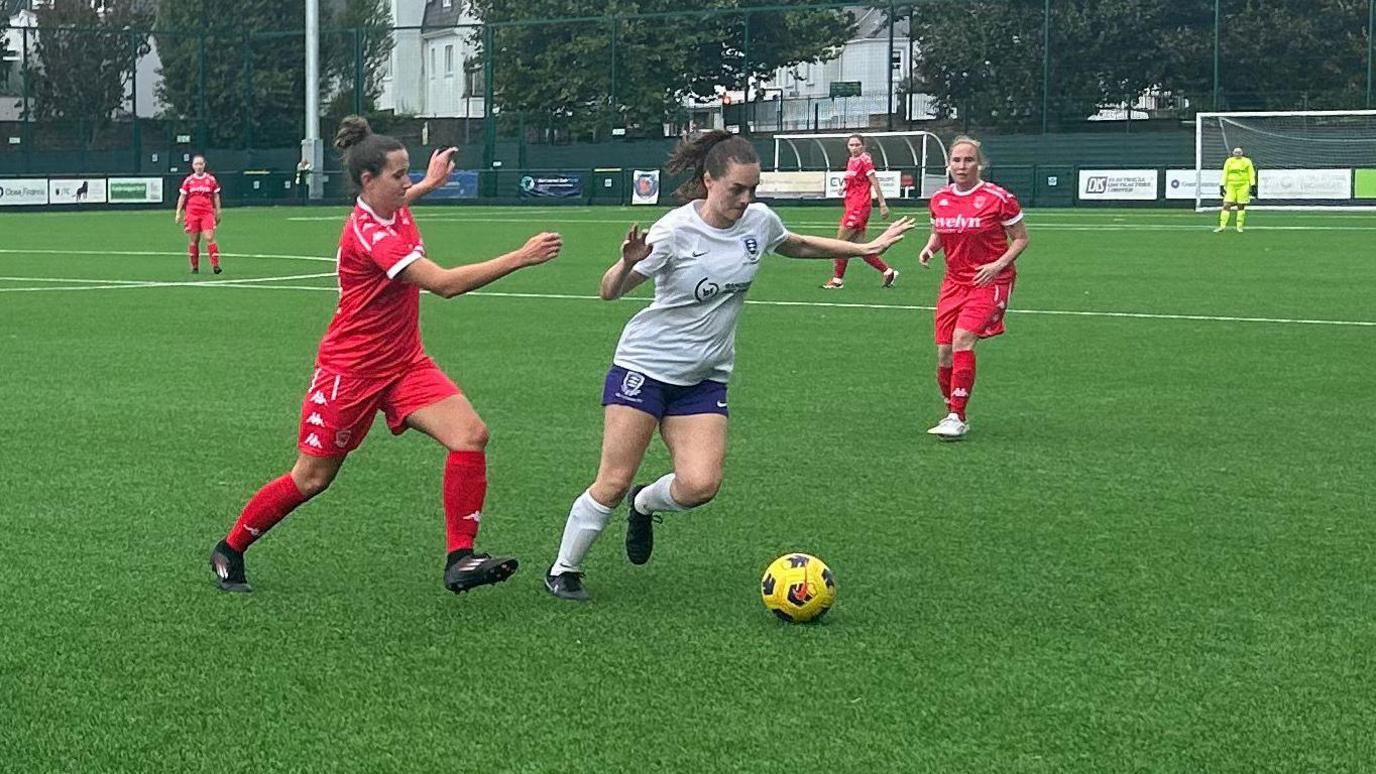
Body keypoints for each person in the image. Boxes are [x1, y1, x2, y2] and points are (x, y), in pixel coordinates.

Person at [544, 130, 915, 601]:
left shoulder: (758, 221)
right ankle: (564, 569)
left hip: (704, 377)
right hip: (645, 367)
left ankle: (644, 503)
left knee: (700, 485)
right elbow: (609, 291)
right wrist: (626, 264)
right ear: (709, 181)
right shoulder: (675, 231)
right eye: (736, 189)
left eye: (753, 189)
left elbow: (794, 243)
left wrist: (864, 249)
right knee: (612, 480)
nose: (746, 199)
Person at [209, 116, 563, 595]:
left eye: (409, 172)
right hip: (349, 373)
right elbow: (444, 285)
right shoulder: (370, 235)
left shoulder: (390, 208)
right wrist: (519, 257)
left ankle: (460, 558)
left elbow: (403, 204)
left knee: (470, 436)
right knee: (311, 479)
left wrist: (431, 184)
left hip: (404, 364)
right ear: (367, 180)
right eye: (399, 175)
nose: (407, 182)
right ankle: (230, 548)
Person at [915, 136, 1030, 441]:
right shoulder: (939, 199)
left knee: (962, 339)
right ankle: (953, 410)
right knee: (943, 354)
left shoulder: (999, 198)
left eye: (969, 160)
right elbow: (939, 230)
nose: (962, 166)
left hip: (989, 280)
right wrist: (930, 247)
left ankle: (956, 416)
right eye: (957, 160)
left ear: (980, 164)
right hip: (953, 282)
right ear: (948, 164)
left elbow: (1021, 238)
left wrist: (997, 265)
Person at [820, 134, 898, 290]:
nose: (854, 148)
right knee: (860, 247)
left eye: (857, 145)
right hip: (852, 206)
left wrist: (882, 204)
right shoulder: (851, 161)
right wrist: (844, 187)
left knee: (839, 245)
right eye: (851, 145)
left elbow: (874, 181)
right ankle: (888, 271)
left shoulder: (864, 160)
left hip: (859, 208)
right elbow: (852, 179)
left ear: (863, 146)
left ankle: (837, 280)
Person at [174, 154, 223, 274]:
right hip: (192, 213)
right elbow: (182, 196)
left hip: (207, 212)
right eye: (196, 164)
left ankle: (215, 265)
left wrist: (218, 210)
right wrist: (178, 212)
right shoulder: (189, 180)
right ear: (193, 166)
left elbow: (216, 196)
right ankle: (194, 267)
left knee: (209, 237)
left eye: (201, 164)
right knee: (194, 240)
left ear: (204, 165)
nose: (199, 166)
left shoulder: (211, 180)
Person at [1215, 147, 1257, 233]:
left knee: (1241, 205)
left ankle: (1239, 226)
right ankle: (1222, 226)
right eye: (1236, 152)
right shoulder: (1229, 161)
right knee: (1226, 204)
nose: (1237, 154)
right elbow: (1225, 173)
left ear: (1242, 153)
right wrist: (1222, 185)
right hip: (1231, 185)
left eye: (1239, 152)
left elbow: (1251, 173)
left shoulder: (1247, 161)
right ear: (1233, 153)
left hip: (1243, 185)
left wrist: (1253, 185)